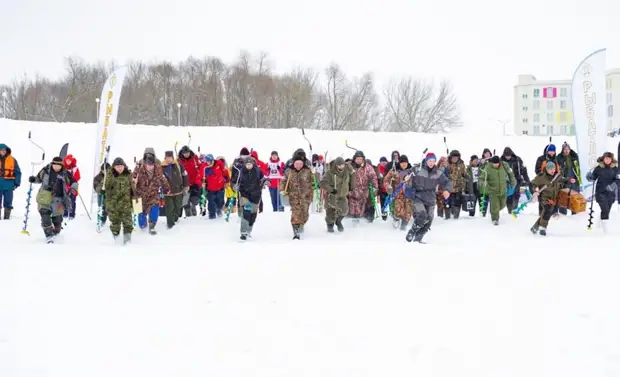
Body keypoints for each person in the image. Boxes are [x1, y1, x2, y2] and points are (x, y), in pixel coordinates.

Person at [404, 153, 452, 243]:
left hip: (431, 199)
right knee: (422, 215)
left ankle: (418, 239)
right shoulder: (417, 169)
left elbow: (447, 182)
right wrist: (406, 177)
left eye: (433, 161)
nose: (431, 163)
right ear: (426, 160)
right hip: (418, 197)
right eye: (430, 161)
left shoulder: (437, 172)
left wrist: (447, 190)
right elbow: (406, 173)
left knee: (429, 220)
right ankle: (412, 232)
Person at [29, 157, 78, 243]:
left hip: (58, 200)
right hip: (44, 197)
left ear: (61, 166)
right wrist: (33, 179)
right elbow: (38, 179)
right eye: (54, 165)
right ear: (52, 164)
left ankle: (56, 233)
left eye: (58, 166)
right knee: (45, 216)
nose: (56, 167)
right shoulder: (45, 170)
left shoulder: (65, 173)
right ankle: (49, 236)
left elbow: (74, 182)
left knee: (58, 221)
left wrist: (73, 189)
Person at [132, 150, 169, 234]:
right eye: (148, 165)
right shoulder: (138, 168)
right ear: (145, 163)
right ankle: (143, 228)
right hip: (139, 195)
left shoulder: (158, 168)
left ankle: (152, 226)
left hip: (153, 194)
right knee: (141, 215)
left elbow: (162, 178)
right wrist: (133, 182)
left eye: (152, 165)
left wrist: (167, 187)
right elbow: (132, 179)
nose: (150, 167)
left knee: (155, 209)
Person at [530, 161, 572, 236]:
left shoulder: (557, 175)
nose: (552, 171)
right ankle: (542, 228)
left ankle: (535, 227)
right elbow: (531, 184)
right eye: (550, 169)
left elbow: (562, 179)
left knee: (548, 212)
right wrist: (533, 192)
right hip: (544, 198)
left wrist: (569, 180)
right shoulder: (541, 177)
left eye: (553, 169)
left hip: (554, 198)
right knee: (547, 210)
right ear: (546, 169)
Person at [98, 157, 134, 243]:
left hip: (126, 204)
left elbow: (133, 187)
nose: (120, 168)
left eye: (121, 166)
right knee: (115, 223)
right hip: (113, 204)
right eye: (117, 166)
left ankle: (127, 240)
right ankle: (116, 239)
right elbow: (103, 186)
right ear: (114, 167)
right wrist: (101, 189)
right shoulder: (109, 175)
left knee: (128, 223)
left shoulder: (128, 174)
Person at [280, 152, 314, 239]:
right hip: (293, 197)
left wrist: (315, 174)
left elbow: (315, 182)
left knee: (305, 215)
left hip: (305, 198)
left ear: (303, 164)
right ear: (293, 163)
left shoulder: (308, 171)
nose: (298, 165)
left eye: (300, 163)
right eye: (296, 163)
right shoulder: (289, 171)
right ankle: (296, 233)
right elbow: (283, 181)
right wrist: (282, 190)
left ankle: (301, 225)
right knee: (295, 214)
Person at [586, 152, 620, 233]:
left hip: (611, 193)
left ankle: (599, 222)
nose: (607, 160)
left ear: (611, 159)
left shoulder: (616, 168)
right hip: (600, 192)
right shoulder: (598, 168)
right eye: (606, 158)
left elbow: (618, 180)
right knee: (605, 209)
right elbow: (593, 178)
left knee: (607, 210)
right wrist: (589, 177)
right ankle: (605, 230)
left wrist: (613, 186)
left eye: (609, 158)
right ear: (603, 159)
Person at [477, 155, 516, 225]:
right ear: (492, 163)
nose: (496, 165)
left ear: (499, 162)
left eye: (497, 163)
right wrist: (483, 183)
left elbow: (510, 173)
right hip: (493, 190)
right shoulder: (487, 168)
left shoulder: (504, 165)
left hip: (503, 189)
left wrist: (513, 182)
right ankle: (495, 219)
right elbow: (481, 178)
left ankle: (493, 211)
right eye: (494, 164)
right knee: (495, 205)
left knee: (503, 205)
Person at [237, 156, 269, 240]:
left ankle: (249, 230)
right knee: (246, 212)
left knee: (253, 215)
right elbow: (236, 181)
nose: (248, 166)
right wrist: (235, 186)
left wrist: (266, 181)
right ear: (244, 165)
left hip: (256, 195)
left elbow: (264, 178)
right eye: (247, 164)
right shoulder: (241, 172)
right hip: (245, 195)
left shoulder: (258, 171)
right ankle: (243, 232)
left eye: (250, 164)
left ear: (253, 164)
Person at [320, 157, 353, 233]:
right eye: (339, 165)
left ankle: (338, 221)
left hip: (342, 195)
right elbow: (322, 183)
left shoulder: (347, 171)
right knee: (330, 213)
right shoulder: (330, 173)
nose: (341, 167)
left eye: (342, 165)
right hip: (332, 196)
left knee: (344, 210)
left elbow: (352, 177)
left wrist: (351, 187)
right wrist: (331, 190)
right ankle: (330, 226)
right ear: (336, 165)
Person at [162, 151, 188, 228]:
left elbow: (185, 175)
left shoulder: (178, 165)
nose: (168, 159)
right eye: (167, 158)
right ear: (165, 158)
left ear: (173, 158)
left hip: (178, 190)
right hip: (167, 192)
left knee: (178, 207)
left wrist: (186, 185)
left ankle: (175, 219)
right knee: (169, 208)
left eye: (170, 157)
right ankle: (170, 224)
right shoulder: (161, 167)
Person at [177, 145, 203, 217]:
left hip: (195, 182)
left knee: (195, 200)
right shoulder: (179, 160)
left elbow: (200, 167)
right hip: (185, 184)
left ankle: (193, 210)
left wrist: (199, 178)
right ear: (182, 153)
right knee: (185, 202)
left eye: (187, 152)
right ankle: (189, 216)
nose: (186, 154)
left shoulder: (195, 158)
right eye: (185, 153)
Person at [202, 154, 228, 219]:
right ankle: (212, 214)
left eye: (208, 161)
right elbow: (201, 177)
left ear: (212, 160)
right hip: (211, 188)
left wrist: (227, 181)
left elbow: (225, 173)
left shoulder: (219, 164)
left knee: (220, 201)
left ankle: (219, 210)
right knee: (211, 202)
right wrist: (202, 182)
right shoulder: (205, 168)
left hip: (220, 187)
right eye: (206, 161)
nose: (207, 163)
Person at [0, 143, 21, 220]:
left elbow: (18, 172)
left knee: (8, 202)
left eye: (4, 150)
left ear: (6, 150)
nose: (2, 151)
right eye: (1, 150)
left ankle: (7, 218)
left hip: (8, 184)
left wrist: (17, 183)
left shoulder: (12, 160)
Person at [62, 154, 81, 219]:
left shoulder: (75, 168)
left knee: (72, 201)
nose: (68, 162)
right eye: (67, 160)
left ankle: (72, 214)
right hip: (64, 187)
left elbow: (78, 177)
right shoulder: (63, 168)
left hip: (73, 187)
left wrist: (71, 180)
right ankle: (65, 213)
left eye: (69, 160)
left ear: (72, 161)